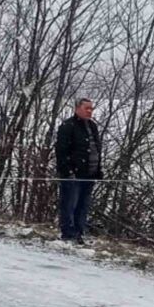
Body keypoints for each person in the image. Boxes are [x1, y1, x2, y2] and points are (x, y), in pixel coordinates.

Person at [54, 97, 104, 242]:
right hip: (73, 174)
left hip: (89, 173)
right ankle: (68, 233)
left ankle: (80, 232)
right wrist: (68, 171)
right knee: (70, 204)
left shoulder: (92, 126)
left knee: (83, 205)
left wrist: (98, 169)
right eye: (86, 108)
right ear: (77, 108)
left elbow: (96, 150)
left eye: (91, 109)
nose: (90, 111)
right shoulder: (68, 126)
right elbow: (61, 151)